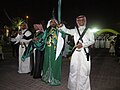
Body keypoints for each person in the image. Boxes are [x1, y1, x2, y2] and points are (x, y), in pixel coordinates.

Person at [58, 15, 95, 90]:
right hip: (75, 53)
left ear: (85, 21)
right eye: (79, 20)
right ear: (77, 21)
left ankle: (83, 88)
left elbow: (92, 41)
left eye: (82, 20)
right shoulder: (75, 30)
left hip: (84, 52)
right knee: (73, 69)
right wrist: (61, 26)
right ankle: (73, 87)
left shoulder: (89, 30)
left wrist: (83, 45)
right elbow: (66, 30)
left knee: (84, 70)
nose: (81, 21)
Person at [41, 18, 65, 86]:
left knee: (55, 64)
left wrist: (61, 30)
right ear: (49, 23)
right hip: (47, 50)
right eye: (51, 22)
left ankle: (54, 79)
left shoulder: (59, 30)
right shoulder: (47, 30)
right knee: (46, 63)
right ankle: (46, 78)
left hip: (56, 50)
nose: (53, 23)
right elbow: (43, 39)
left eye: (54, 22)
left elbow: (63, 36)